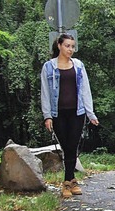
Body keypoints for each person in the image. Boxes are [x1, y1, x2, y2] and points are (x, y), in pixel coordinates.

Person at [41, 33, 99, 198]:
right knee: (66, 147)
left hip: (77, 112)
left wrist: (90, 113)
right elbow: (44, 92)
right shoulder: (48, 67)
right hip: (57, 113)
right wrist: (47, 116)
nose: (70, 49)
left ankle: (68, 183)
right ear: (59, 46)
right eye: (67, 46)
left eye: (72, 46)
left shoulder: (79, 65)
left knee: (72, 146)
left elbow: (85, 90)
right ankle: (71, 179)